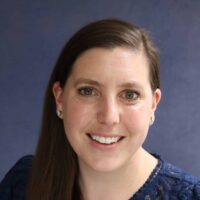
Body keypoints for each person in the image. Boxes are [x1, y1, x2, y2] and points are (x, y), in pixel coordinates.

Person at [0, 18, 200, 200]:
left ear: (153, 105)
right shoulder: (22, 184)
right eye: (88, 91)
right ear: (59, 99)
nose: (109, 117)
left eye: (130, 95)